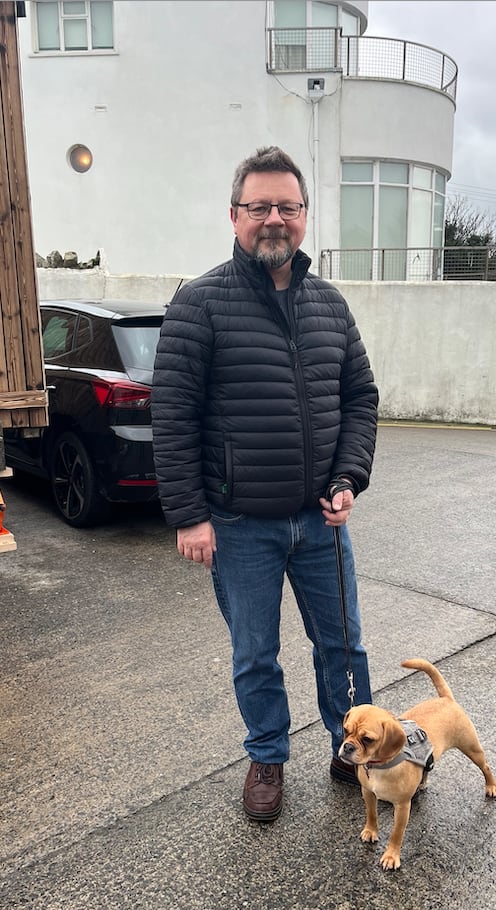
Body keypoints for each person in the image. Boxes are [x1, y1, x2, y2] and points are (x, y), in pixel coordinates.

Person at [152, 146, 378, 822]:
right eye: (260, 208)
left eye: (287, 207)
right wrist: (191, 516)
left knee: (343, 645)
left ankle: (353, 750)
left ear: (304, 218)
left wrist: (348, 477)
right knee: (256, 654)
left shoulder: (330, 306)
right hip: (240, 526)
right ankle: (268, 759)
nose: (273, 219)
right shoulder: (199, 304)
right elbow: (172, 415)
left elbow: (361, 398)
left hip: (319, 521)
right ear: (235, 216)